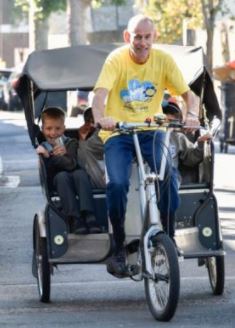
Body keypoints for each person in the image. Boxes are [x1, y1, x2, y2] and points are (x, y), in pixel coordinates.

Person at [91, 14, 200, 275]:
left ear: (154, 37)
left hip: (152, 131)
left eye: (147, 37)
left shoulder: (163, 60)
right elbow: (99, 95)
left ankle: (168, 238)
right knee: (116, 184)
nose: (142, 43)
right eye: (137, 37)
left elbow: (189, 96)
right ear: (128, 37)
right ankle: (118, 245)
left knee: (168, 177)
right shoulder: (116, 59)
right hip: (119, 132)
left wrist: (192, 115)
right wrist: (100, 118)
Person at [36, 106, 101, 234]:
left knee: (80, 173)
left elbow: (71, 164)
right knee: (62, 177)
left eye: (58, 129)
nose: (53, 133)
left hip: (76, 176)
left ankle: (89, 215)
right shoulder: (42, 147)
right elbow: (49, 169)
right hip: (57, 180)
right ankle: (74, 218)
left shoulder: (71, 143)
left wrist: (53, 156)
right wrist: (50, 156)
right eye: (49, 129)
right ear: (43, 129)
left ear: (64, 129)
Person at [77, 107, 105, 189]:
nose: (91, 124)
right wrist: (82, 139)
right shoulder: (87, 143)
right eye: (88, 121)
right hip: (98, 179)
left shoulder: (104, 134)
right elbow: (82, 163)